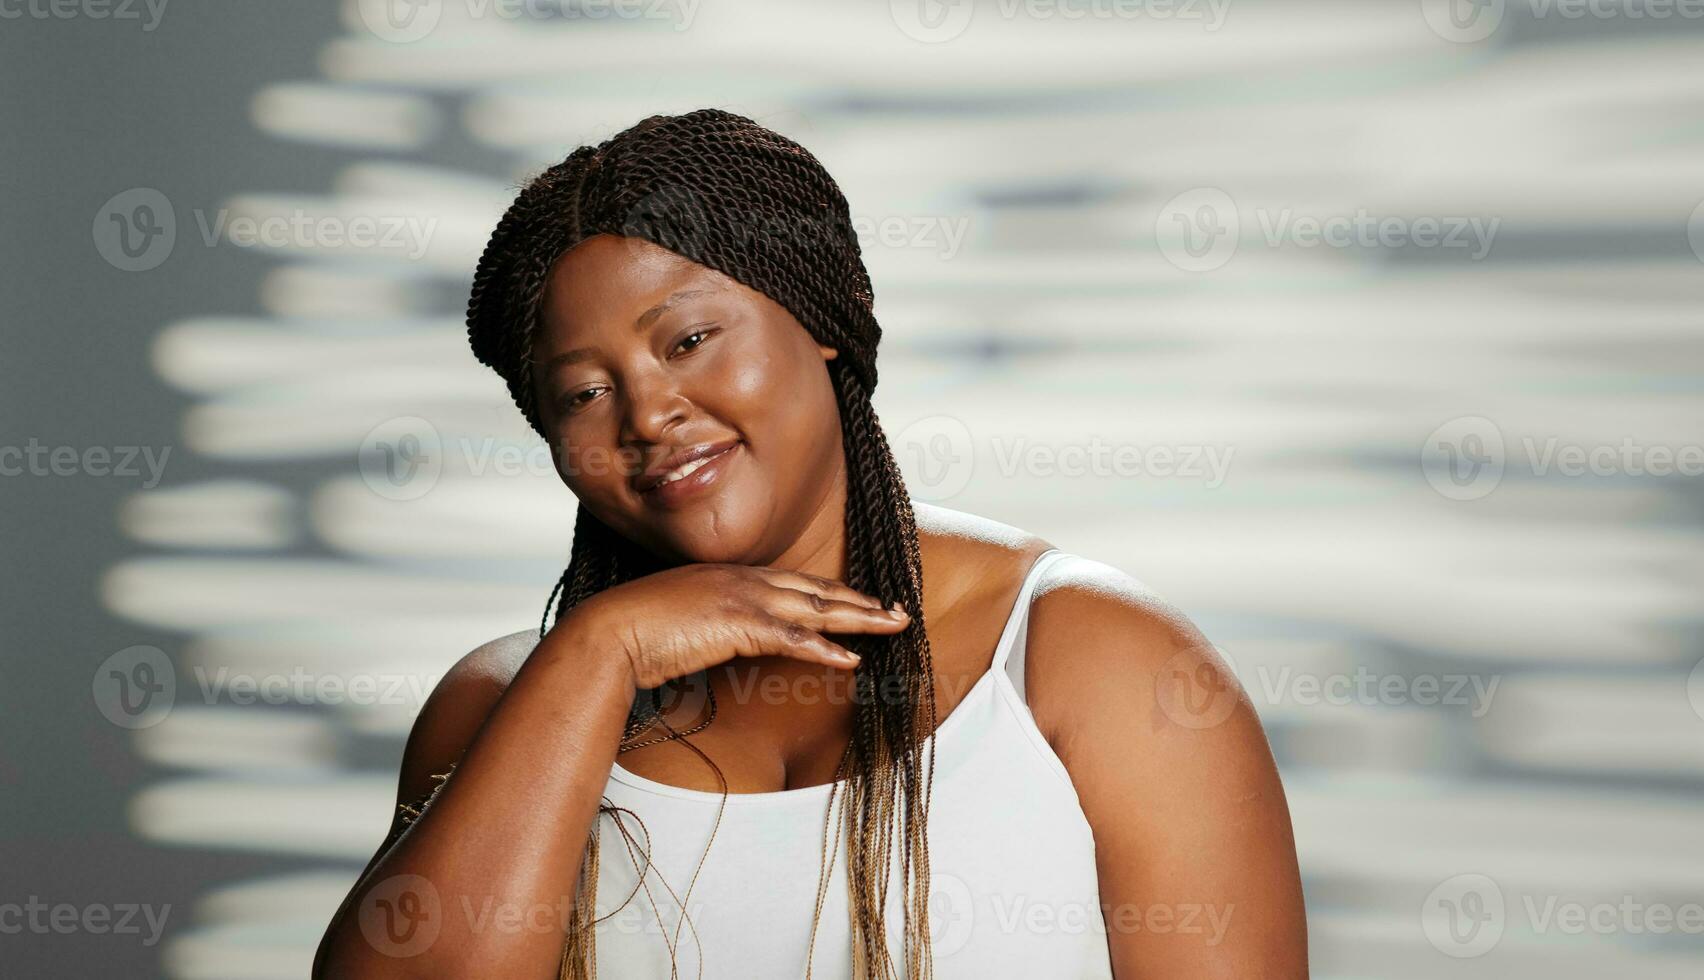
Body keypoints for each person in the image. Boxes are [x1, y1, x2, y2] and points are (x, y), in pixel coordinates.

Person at [313, 108, 1307, 979]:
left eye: (688, 339)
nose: (650, 412)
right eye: (582, 391)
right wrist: (596, 652)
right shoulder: (502, 706)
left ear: (820, 320)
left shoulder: (1090, 663)